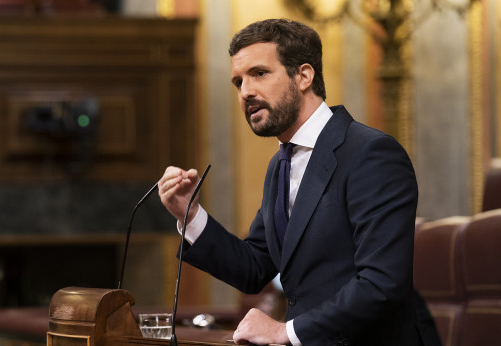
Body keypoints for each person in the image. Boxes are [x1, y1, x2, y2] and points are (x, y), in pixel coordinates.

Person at [157, 19, 440, 346]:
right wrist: (190, 215)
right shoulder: (280, 164)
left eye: (259, 73)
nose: (246, 91)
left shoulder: (371, 153)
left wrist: (286, 331)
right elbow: (254, 268)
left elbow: (381, 283)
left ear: (304, 76)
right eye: (238, 82)